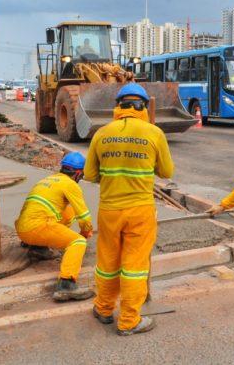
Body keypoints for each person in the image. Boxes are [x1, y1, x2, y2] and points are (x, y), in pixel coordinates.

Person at [85, 83, 174, 336]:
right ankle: (128, 321)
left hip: (110, 209)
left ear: (118, 106)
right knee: (134, 265)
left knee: (107, 262)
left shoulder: (102, 133)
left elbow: (90, 174)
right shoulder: (154, 133)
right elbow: (166, 172)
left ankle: (103, 309)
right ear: (143, 107)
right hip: (140, 210)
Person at [15, 152, 94, 301]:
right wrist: (85, 232)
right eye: (81, 175)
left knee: (67, 211)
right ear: (78, 173)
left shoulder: (48, 179)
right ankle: (66, 285)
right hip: (36, 228)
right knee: (78, 242)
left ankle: (38, 248)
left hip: (23, 229)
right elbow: (84, 217)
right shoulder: (70, 184)